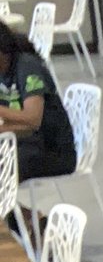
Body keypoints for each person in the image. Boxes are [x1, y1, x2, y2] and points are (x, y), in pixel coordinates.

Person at [0, 21, 75, 185]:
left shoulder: (27, 67)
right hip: (25, 142)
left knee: (3, 171)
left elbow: (33, 120)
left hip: (52, 150)